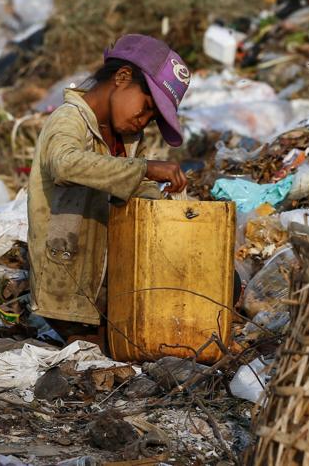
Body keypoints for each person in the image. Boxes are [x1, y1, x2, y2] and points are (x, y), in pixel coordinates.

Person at [27, 34, 191, 343]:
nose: (142, 122)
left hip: (102, 282)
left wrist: (177, 212)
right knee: (108, 355)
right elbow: (63, 164)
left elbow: (134, 188)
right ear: (122, 77)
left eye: (151, 118)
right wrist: (146, 168)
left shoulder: (125, 140)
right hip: (65, 282)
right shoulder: (69, 119)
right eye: (145, 108)